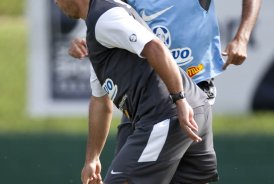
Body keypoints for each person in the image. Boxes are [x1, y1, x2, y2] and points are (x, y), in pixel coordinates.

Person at [55, 0, 219, 183]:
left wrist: (179, 99)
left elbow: (154, 46)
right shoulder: (98, 29)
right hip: (190, 110)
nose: (55, 2)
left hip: (168, 114)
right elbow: (101, 103)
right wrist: (92, 159)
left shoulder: (104, 17)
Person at [68, 0, 262, 153]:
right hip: (146, 94)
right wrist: (89, 40)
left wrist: (242, 37)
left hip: (193, 89)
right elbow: (114, 20)